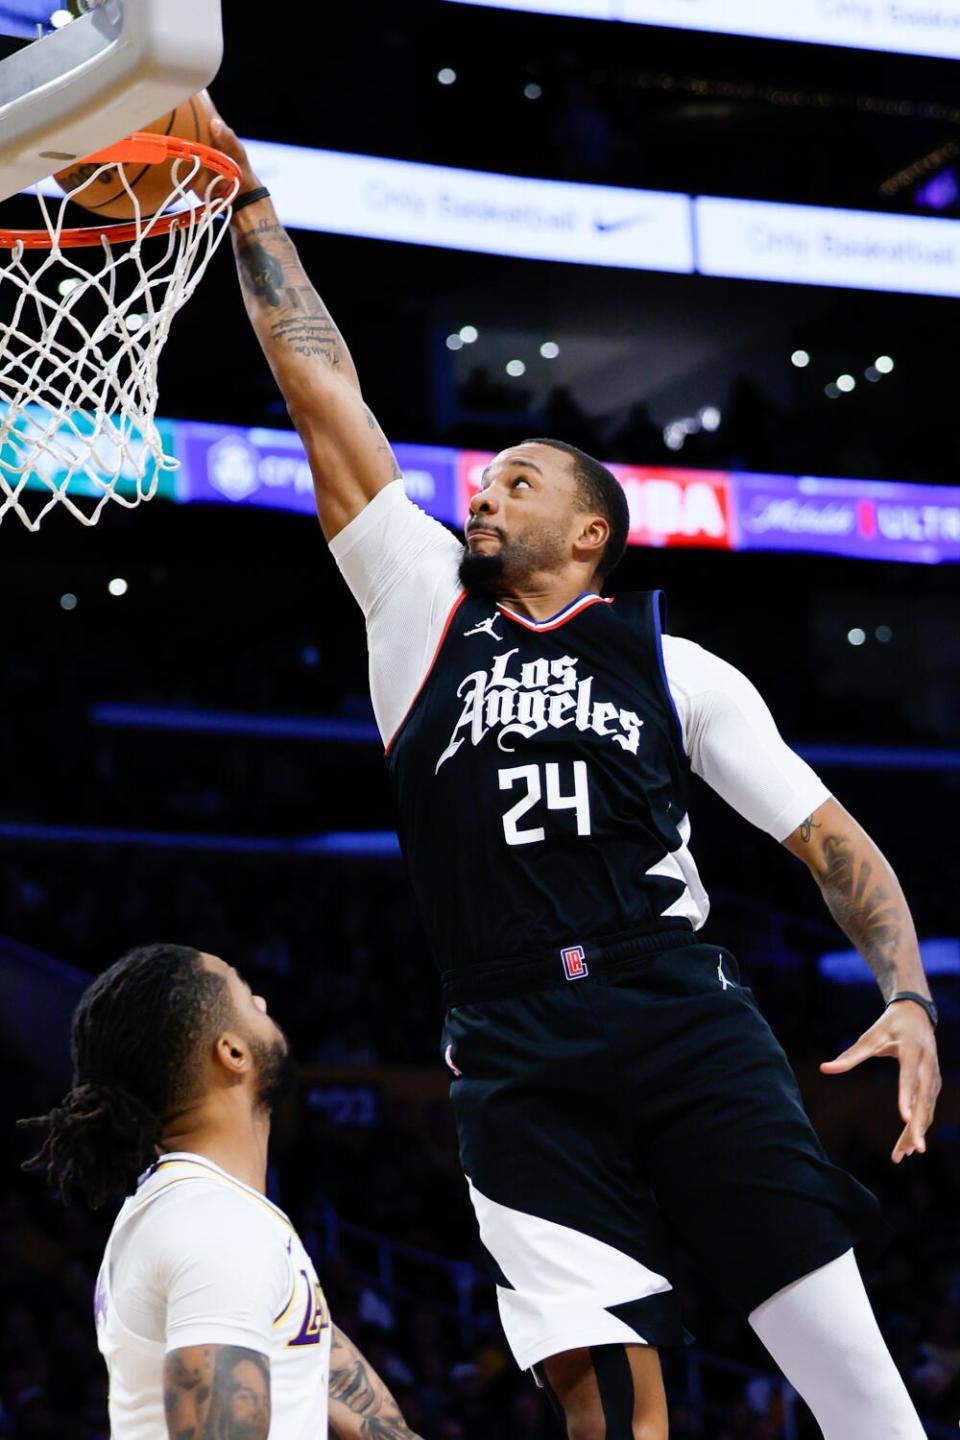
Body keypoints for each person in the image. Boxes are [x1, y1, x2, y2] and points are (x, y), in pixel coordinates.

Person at [211, 114, 942, 1440]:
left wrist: (908, 996)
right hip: (511, 1050)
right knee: (615, 1419)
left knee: (865, 1400)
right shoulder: (415, 602)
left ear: (591, 532)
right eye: (486, 475)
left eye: (519, 476)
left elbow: (836, 847)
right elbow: (323, 390)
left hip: (682, 1023)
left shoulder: (679, 664)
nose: (484, 487)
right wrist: (244, 199)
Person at [20, 942, 422, 1440]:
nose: (265, 1005)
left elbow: (369, 1416)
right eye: (248, 996)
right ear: (231, 1053)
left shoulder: (210, 1215)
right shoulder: (214, 1226)